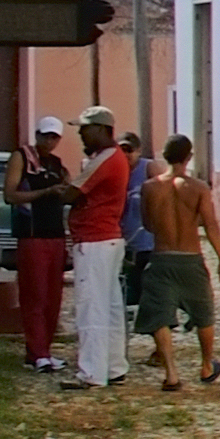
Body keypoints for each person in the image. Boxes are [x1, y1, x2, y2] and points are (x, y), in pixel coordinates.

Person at [136, 136, 220, 391]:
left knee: (160, 315)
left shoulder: (149, 187)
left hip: (161, 256)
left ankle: (171, 373)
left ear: (165, 156)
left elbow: (147, 224)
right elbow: (211, 225)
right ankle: (206, 365)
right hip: (191, 257)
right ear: (188, 157)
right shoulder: (199, 188)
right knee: (203, 313)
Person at [63, 107, 137, 389]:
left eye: (85, 129)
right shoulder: (116, 157)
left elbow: (71, 193)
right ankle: (114, 366)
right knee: (111, 306)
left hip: (94, 240)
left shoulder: (103, 159)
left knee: (91, 306)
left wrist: (57, 190)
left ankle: (91, 372)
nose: (81, 135)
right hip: (109, 239)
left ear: (101, 130)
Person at [7, 118, 75, 371]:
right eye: (45, 136)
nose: (49, 141)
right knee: (34, 294)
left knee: (53, 297)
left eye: (54, 137)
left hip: (55, 233)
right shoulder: (22, 157)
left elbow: (67, 188)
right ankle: (37, 352)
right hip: (32, 234)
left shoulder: (56, 164)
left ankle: (43, 349)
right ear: (37, 135)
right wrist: (44, 193)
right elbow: (10, 194)